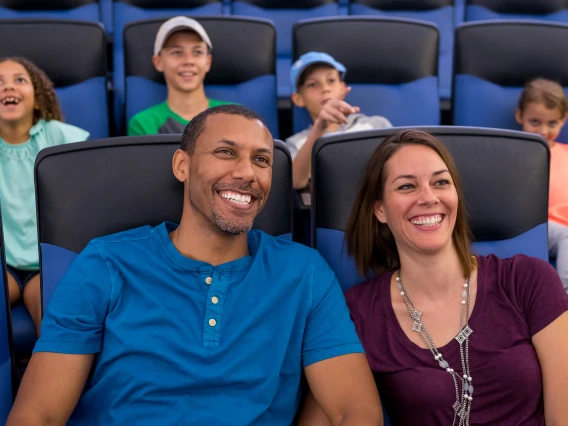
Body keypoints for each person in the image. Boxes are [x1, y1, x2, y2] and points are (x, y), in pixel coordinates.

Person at [7, 104, 383, 426]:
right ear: (182, 165)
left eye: (261, 160)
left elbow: (356, 410)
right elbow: (38, 414)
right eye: (225, 152)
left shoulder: (304, 272)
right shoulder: (106, 262)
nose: (248, 173)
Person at [299, 130, 568, 425]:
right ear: (380, 210)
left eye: (441, 182)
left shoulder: (528, 279)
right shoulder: (358, 312)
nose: (428, 198)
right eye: (406, 187)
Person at [0, 57, 89, 335]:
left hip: (46, 259)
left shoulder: (62, 137)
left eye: (19, 80)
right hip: (3, 260)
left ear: (38, 99)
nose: (7, 87)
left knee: (54, 322)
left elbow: (88, 193)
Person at [286, 51, 392, 190]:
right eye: (312, 84)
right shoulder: (295, 143)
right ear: (298, 99)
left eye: (331, 80)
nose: (325, 88)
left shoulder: (376, 125)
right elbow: (296, 182)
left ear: (342, 87)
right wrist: (320, 126)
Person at [127, 16, 232, 136]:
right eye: (177, 52)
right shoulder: (143, 124)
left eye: (197, 52)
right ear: (158, 62)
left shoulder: (235, 116)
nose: (188, 60)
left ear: (208, 62)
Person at [515, 78, 568, 292]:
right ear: (520, 116)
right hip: (540, 225)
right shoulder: (516, 153)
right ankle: (564, 298)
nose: (543, 131)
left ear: (563, 120)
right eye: (535, 122)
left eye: (552, 123)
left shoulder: (565, 152)